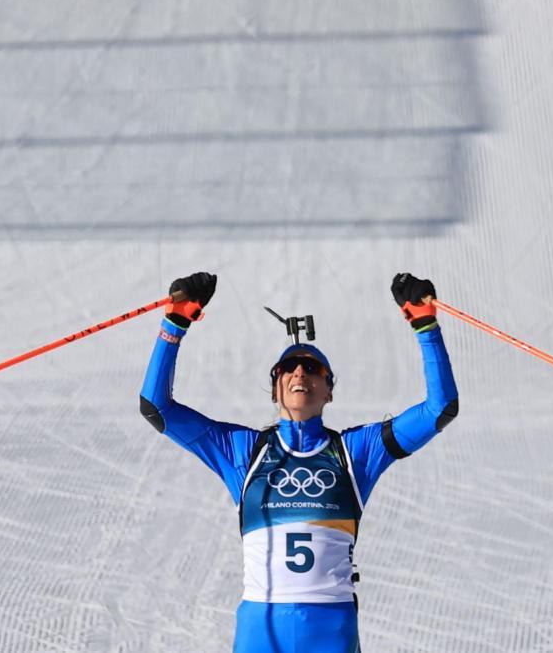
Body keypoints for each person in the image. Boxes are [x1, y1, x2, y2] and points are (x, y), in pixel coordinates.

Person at [139, 272, 459, 652]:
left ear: (329, 390)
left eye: (312, 369)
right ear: (275, 387)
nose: (299, 373)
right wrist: (174, 322)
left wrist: (426, 325)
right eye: (288, 368)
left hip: (329, 629)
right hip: (261, 628)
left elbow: (440, 409)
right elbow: (156, 406)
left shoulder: (356, 453)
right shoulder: (242, 452)